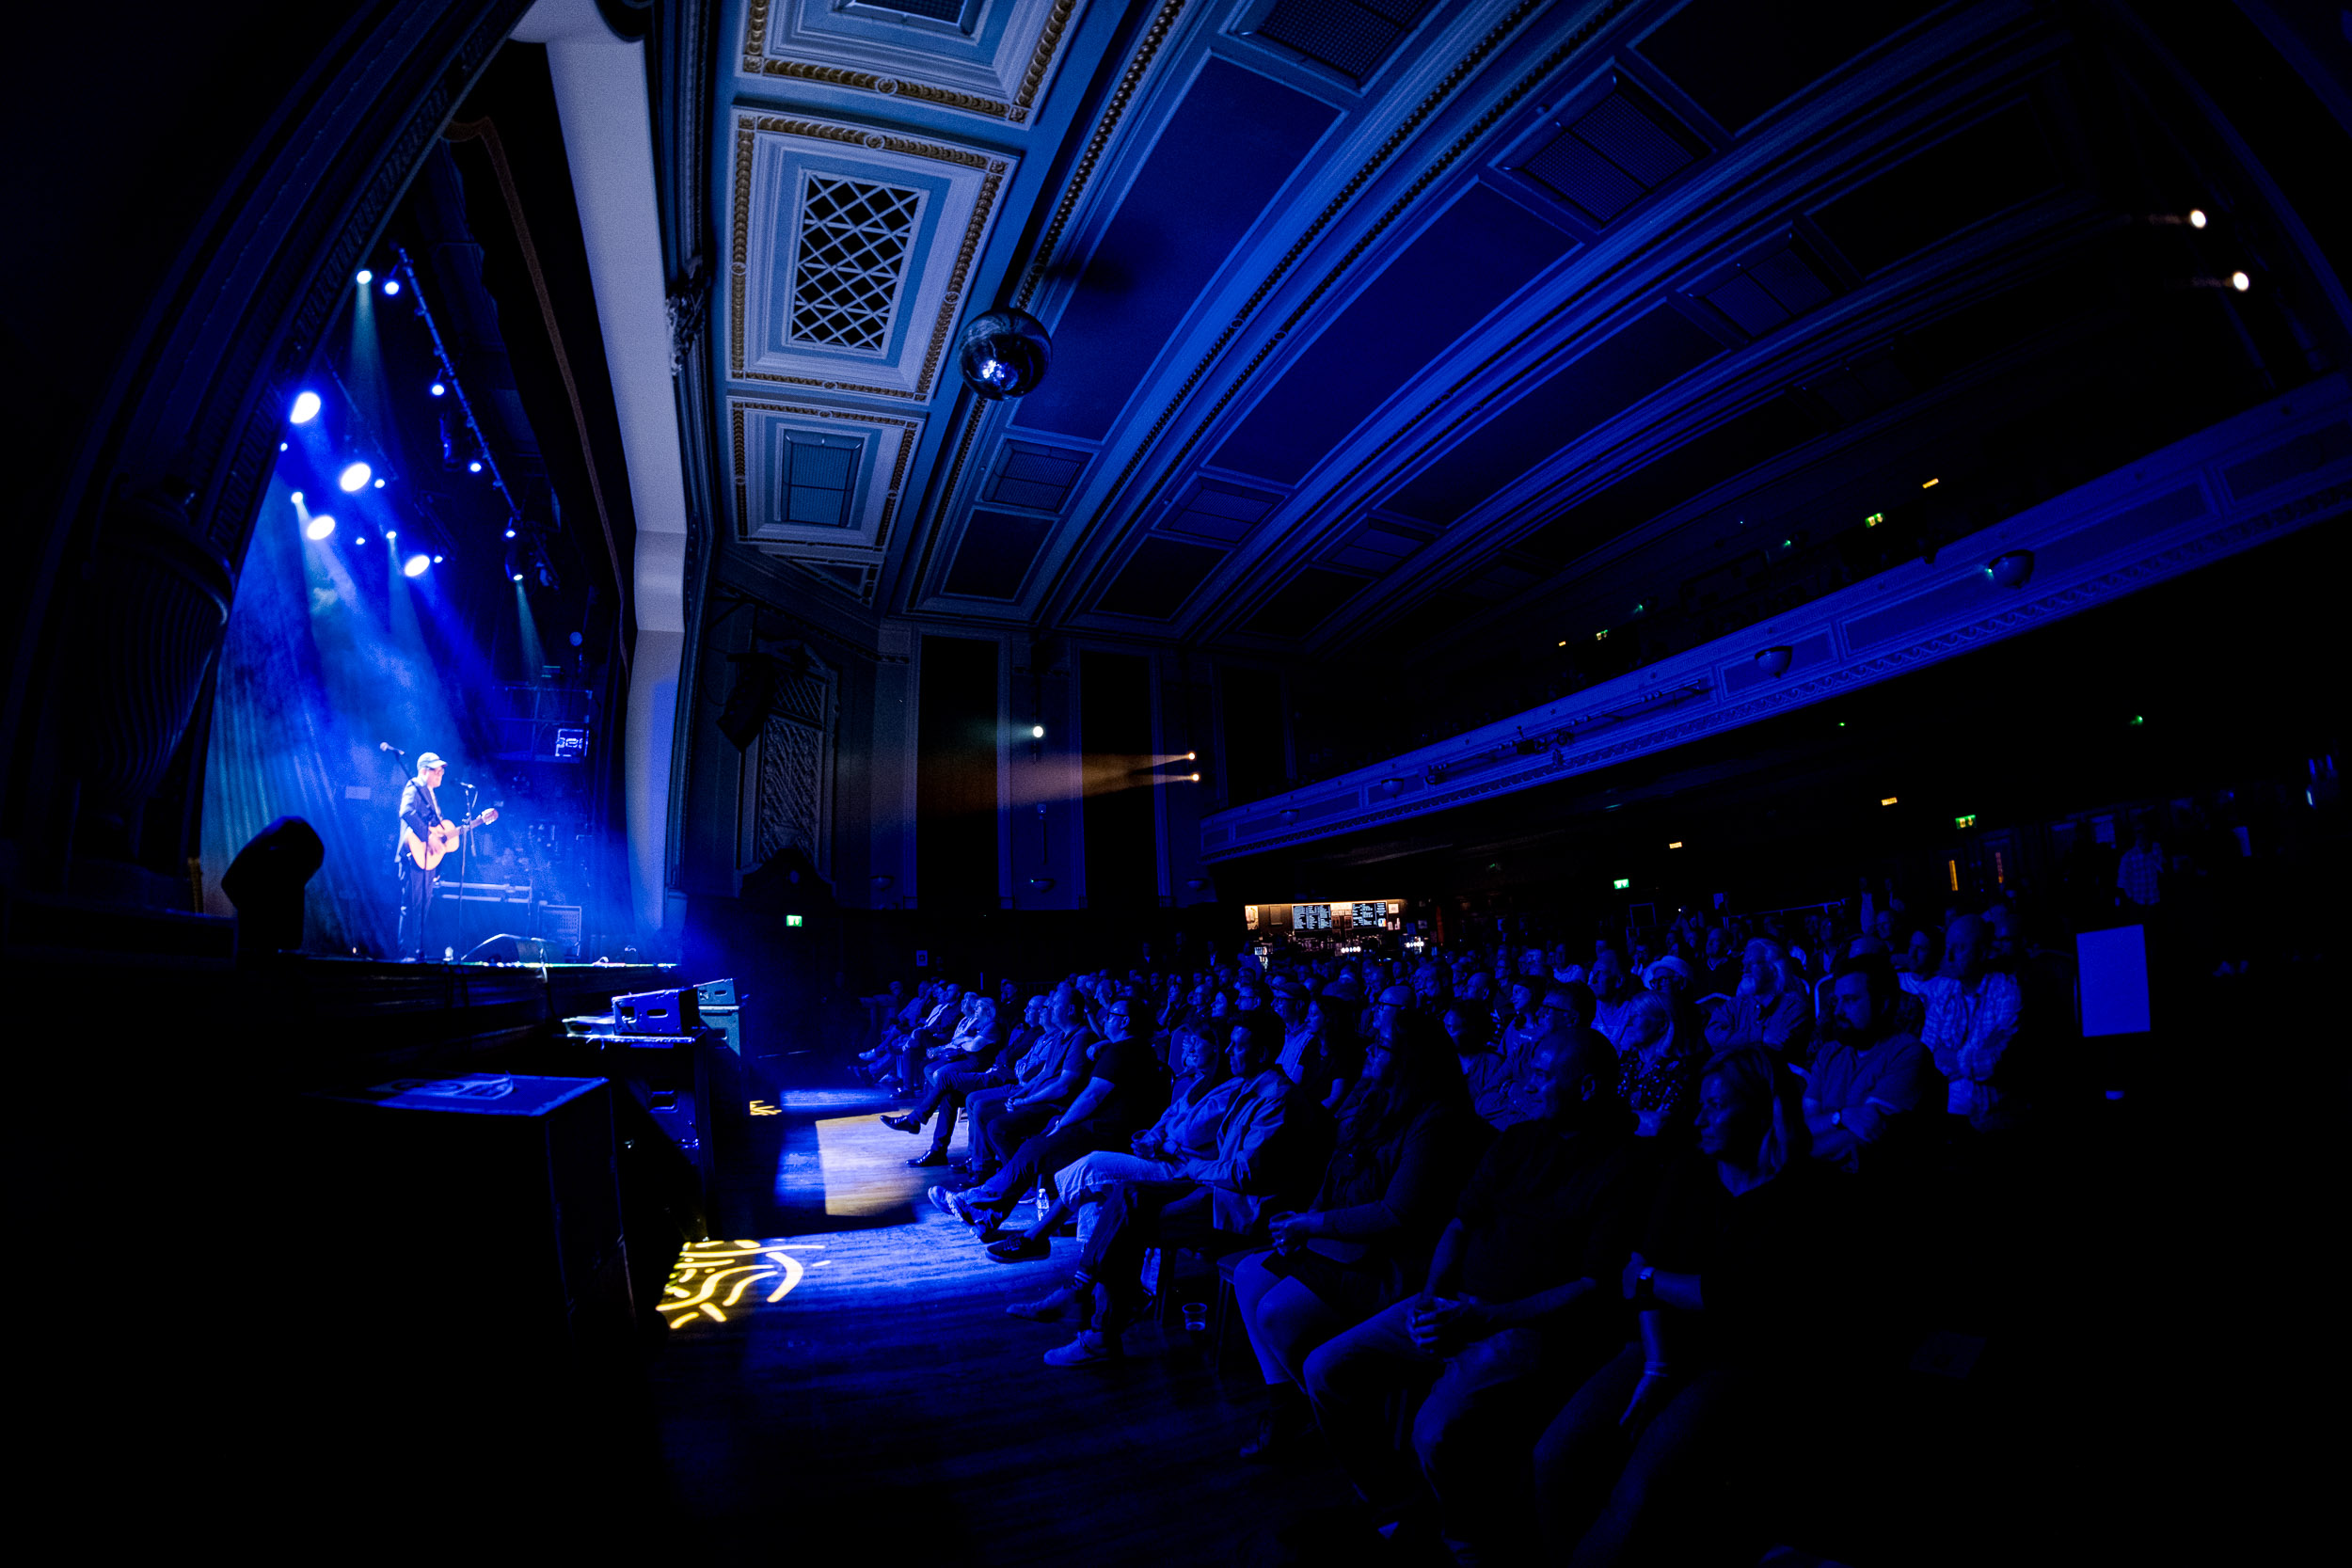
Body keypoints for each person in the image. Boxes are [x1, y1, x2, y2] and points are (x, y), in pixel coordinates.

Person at [1299, 1024, 1643, 1563]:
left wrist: (1485, 1318)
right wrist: (1434, 1298)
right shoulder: (1518, 1141)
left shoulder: (1624, 1167)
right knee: (1325, 1370)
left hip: (1529, 1327)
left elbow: (1591, 1287)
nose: (1526, 1085)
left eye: (1542, 1075)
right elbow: (1460, 1224)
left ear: (1589, 1089)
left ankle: (1467, 1544)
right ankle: (1395, 1504)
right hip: (1454, 1304)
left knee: (1433, 1430)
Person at [1532, 1047, 1845, 1565]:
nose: (1699, 1118)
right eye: (1700, 1104)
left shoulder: (1803, 1194)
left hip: (1742, 1361)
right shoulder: (1690, 1172)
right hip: (1663, 1342)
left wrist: (1660, 1280)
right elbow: (1638, 1277)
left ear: (1764, 1110)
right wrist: (1656, 1366)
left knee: (1635, 1495)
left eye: (1716, 1106)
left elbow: (1739, 1300)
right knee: (1552, 1457)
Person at [1232, 1012, 1489, 1460]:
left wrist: (1312, 1226)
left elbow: (1398, 1214)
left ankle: (1335, 1412)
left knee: (1275, 1312)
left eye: (1381, 1043)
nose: (1369, 1047)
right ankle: (1290, 1407)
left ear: (1410, 1059)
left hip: (1396, 1259)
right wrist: (1304, 1221)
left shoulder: (1437, 1119)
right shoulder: (1373, 1095)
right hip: (1350, 1240)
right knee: (1248, 1275)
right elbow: (1336, 1171)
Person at [1006, 1010, 1313, 1367]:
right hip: (1207, 1184)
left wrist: (1190, 1164)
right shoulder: (1249, 1086)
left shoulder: (1276, 1097)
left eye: (1237, 1046)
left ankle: (1096, 1327)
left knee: (1121, 1221)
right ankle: (1086, 1293)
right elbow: (1188, 1132)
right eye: (1227, 1043)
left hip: (1236, 1205)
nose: (1229, 1051)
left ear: (1261, 1054)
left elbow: (1243, 1174)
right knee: (1126, 1194)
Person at [934, 994, 1168, 1231]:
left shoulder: (1120, 1052)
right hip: (1112, 1128)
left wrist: (1062, 1124)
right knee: (1029, 1145)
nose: (1104, 1019)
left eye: (1111, 1016)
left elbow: (1092, 1096)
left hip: (1104, 1132)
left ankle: (977, 1203)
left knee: (1033, 1148)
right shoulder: (1135, 1049)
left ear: (1125, 1022)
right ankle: (984, 1214)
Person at [1802, 954, 1938, 1174]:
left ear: (1883, 1004)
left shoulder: (1908, 1052)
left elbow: (1861, 1136)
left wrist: (1793, 1151)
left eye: (1850, 1000)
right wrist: (1841, 1117)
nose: (1838, 1011)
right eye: (1837, 1001)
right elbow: (1804, 1125)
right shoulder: (1828, 1053)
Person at [1918, 913, 2025, 1128]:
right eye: (1948, 947)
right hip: (1943, 1112)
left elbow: (1993, 1062)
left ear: (1983, 952)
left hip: (1991, 1116)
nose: (1948, 956)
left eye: (1959, 948)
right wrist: (1969, 1058)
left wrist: (1950, 1057)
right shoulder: (1944, 990)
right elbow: (1927, 1053)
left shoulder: (2006, 991)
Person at [1613, 990, 1702, 1139]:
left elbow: (1659, 1124)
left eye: (1636, 1016)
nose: (1628, 1023)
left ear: (1662, 1025)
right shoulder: (1626, 1063)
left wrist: (1610, 1118)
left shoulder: (1682, 1070)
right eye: (1629, 1016)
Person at [395, 752, 448, 961]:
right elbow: (406, 811)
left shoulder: (432, 796)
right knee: (412, 905)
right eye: (436, 770)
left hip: (425, 859)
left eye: (442, 770)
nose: (441, 773)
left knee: (422, 907)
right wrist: (428, 836)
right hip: (412, 855)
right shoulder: (415, 784)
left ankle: (416, 952)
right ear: (424, 770)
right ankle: (406, 953)